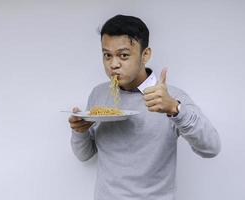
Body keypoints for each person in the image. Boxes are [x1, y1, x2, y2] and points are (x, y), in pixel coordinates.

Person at [68, 14, 221, 200]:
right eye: (107, 55)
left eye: (123, 55)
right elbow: (85, 155)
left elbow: (211, 148)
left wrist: (175, 110)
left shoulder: (171, 97)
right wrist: (79, 131)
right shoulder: (99, 94)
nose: (113, 64)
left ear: (145, 54)